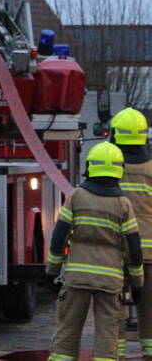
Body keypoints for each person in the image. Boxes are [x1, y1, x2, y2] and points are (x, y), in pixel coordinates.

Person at [46, 141, 144, 361]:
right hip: (110, 283)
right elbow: (134, 250)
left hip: (77, 279)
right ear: (119, 169)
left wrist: (51, 271)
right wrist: (137, 284)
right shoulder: (123, 204)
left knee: (67, 333)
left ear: (90, 167)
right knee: (107, 336)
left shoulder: (77, 197)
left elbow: (59, 237)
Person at [112, 107, 152, 360]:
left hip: (113, 250)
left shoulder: (109, 166)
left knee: (112, 309)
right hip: (149, 253)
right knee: (149, 309)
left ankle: (114, 354)